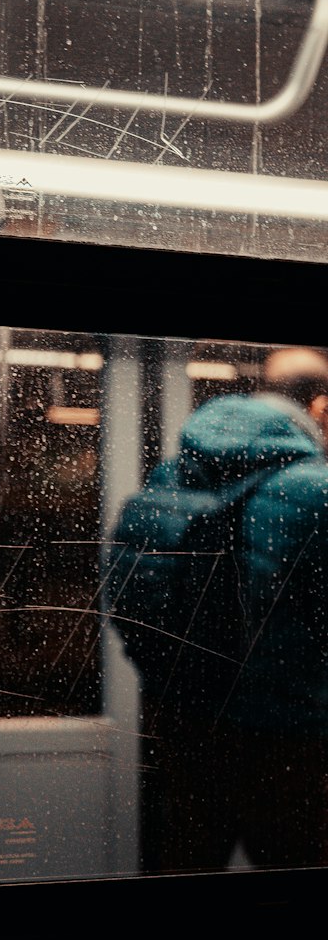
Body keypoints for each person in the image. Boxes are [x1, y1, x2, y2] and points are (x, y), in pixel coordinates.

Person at [109, 345, 327, 873]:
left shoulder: (170, 476)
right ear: (320, 407)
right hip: (295, 742)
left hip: (186, 726)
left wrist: (175, 682)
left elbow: (127, 597)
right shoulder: (316, 492)